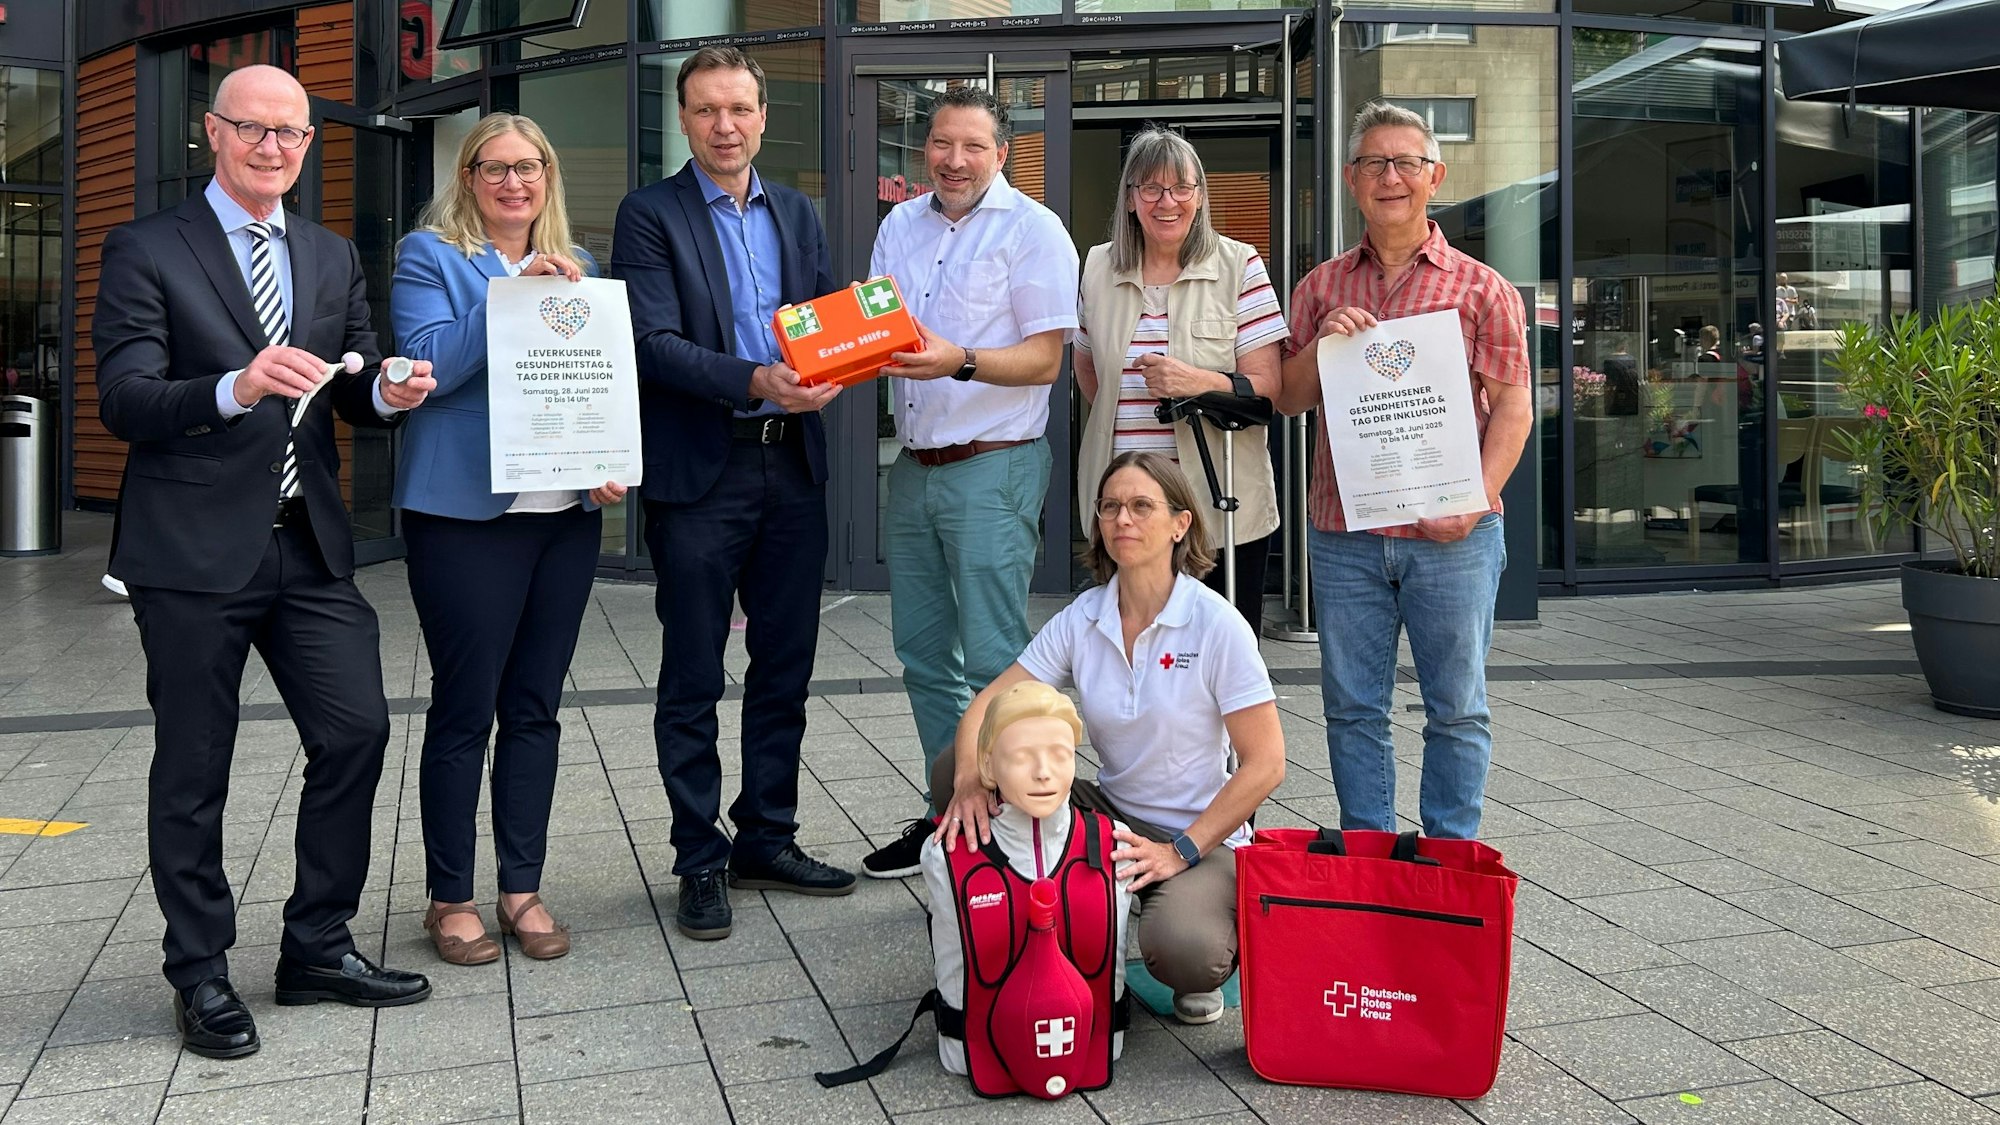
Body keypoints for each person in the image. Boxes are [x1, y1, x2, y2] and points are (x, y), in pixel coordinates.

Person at [93, 64, 438, 1059]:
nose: (274, 147)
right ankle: (198, 971)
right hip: (193, 552)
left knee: (358, 731)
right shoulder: (147, 248)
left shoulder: (328, 256)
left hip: (307, 542)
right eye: (253, 129)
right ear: (213, 132)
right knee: (195, 766)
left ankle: (316, 947)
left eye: (292, 133)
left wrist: (391, 394)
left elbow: (355, 378)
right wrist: (234, 387)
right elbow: (123, 399)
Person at [612, 47, 856, 942]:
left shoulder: (797, 211)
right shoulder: (650, 214)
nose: (725, 125)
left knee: (784, 667)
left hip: (791, 462)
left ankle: (767, 835)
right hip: (700, 473)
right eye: (707, 109)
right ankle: (698, 855)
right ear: (684, 120)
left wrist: (840, 362)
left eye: (740, 109)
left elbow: (824, 319)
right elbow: (655, 343)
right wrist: (758, 378)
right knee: (691, 674)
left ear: (762, 118)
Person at [935, 451, 1285, 1025]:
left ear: (1180, 524)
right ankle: (1041, 907)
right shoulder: (1086, 616)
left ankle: (1183, 927)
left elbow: (1266, 764)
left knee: (1189, 954)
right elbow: (988, 706)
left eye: (1142, 506)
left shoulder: (1216, 623)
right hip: (1113, 817)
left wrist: (1181, 851)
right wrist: (973, 781)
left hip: (1201, 835)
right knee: (957, 765)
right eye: (1110, 507)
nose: (1123, 519)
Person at [391, 113, 621, 965]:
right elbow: (425, 365)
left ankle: (521, 885)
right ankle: (449, 895)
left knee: (535, 709)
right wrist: (515, 290)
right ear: (469, 177)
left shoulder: (582, 269)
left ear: (549, 177)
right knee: (464, 707)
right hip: (462, 518)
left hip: (563, 518)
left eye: (530, 167)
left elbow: (592, 380)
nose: (514, 182)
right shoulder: (430, 256)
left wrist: (607, 460)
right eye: (495, 168)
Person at [1272, 101, 1532, 841]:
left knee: (1457, 708)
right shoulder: (1321, 288)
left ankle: (1448, 866)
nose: (1391, 177)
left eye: (1406, 163)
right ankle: (1368, 854)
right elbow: (1290, 400)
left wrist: (1476, 502)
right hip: (1345, 534)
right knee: (1353, 708)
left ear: (1434, 177)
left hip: (1453, 536)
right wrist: (1319, 345)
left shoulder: (1483, 289)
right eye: (1374, 164)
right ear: (1351, 181)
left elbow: (1513, 411)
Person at [861, 87, 1080, 880]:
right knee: (921, 652)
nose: (954, 160)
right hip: (915, 466)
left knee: (994, 656)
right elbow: (878, 334)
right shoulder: (898, 226)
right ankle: (949, 814)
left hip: (994, 463)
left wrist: (958, 357)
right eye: (941, 145)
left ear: (1002, 153)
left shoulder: (1035, 231)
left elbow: (1046, 360)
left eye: (972, 147)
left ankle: (1018, 833)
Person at [1075, 127, 1286, 627]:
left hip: (1216, 506)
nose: (1166, 202)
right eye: (1150, 188)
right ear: (1130, 199)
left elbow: (1268, 386)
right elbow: (1087, 367)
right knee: (1128, 645)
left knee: (1219, 657)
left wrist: (1193, 380)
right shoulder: (1098, 267)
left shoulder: (1240, 265)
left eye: (1181, 188)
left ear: (1200, 196)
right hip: (1122, 506)